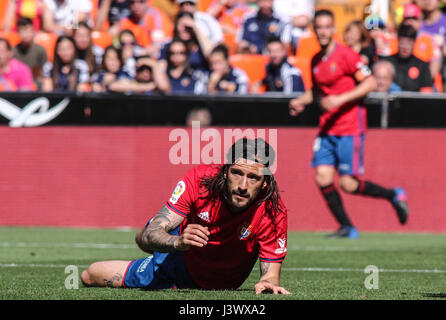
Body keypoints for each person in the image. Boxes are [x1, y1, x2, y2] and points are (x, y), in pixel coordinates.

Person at [81, 138, 290, 294]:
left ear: (265, 183)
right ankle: (150, 242)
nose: (242, 186)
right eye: (237, 173)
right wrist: (178, 241)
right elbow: (152, 235)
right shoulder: (200, 180)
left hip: (220, 281)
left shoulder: (273, 210)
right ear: (225, 171)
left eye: (253, 177)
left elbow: (271, 274)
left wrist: (269, 283)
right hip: (177, 259)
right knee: (90, 275)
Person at [288, 9, 409, 238]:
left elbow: (371, 82)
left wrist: (340, 100)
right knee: (322, 177)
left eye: (327, 27)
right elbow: (318, 91)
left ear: (334, 30)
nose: (323, 31)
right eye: (319, 27)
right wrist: (300, 101)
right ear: (315, 30)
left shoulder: (346, 56)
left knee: (348, 184)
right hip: (327, 128)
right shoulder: (315, 60)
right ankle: (348, 227)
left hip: (349, 127)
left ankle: (393, 194)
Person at [384, 24, 433, 92]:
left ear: (414, 43)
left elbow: (426, 95)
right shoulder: (386, 63)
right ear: (397, 42)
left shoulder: (422, 66)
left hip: (415, 102)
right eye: (402, 42)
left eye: (409, 43)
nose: (405, 47)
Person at [13, 17, 48, 85]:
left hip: (35, 83)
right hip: (17, 84)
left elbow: (44, 72)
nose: (25, 34)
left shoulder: (40, 50)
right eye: (22, 31)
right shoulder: (13, 51)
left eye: (28, 31)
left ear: (33, 31)